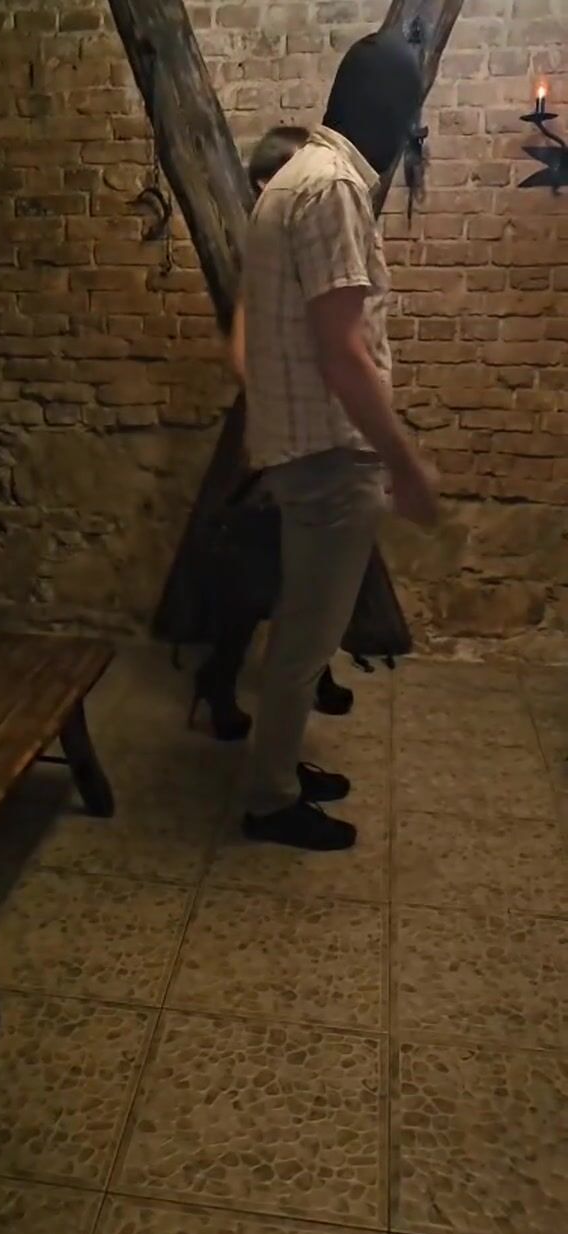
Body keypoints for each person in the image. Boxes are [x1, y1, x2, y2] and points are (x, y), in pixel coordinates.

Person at [237, 30, 439, 851]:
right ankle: (269, 799)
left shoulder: (295, 178)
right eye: (409, 112)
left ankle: (281, 768)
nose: (410, 131)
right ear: (385, 109)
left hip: (302, 448)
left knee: (302, 628)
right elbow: (343, 352)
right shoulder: (333, 189)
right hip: (328, 456)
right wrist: (404, 462)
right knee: (306, 641)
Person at [191, 125, 354, 741]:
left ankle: (312, 669)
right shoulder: (265, 260)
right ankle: (219, 677)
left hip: (317, 428)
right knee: (259, 565)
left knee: (319, 563)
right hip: (276, 427)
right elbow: (241, 356)